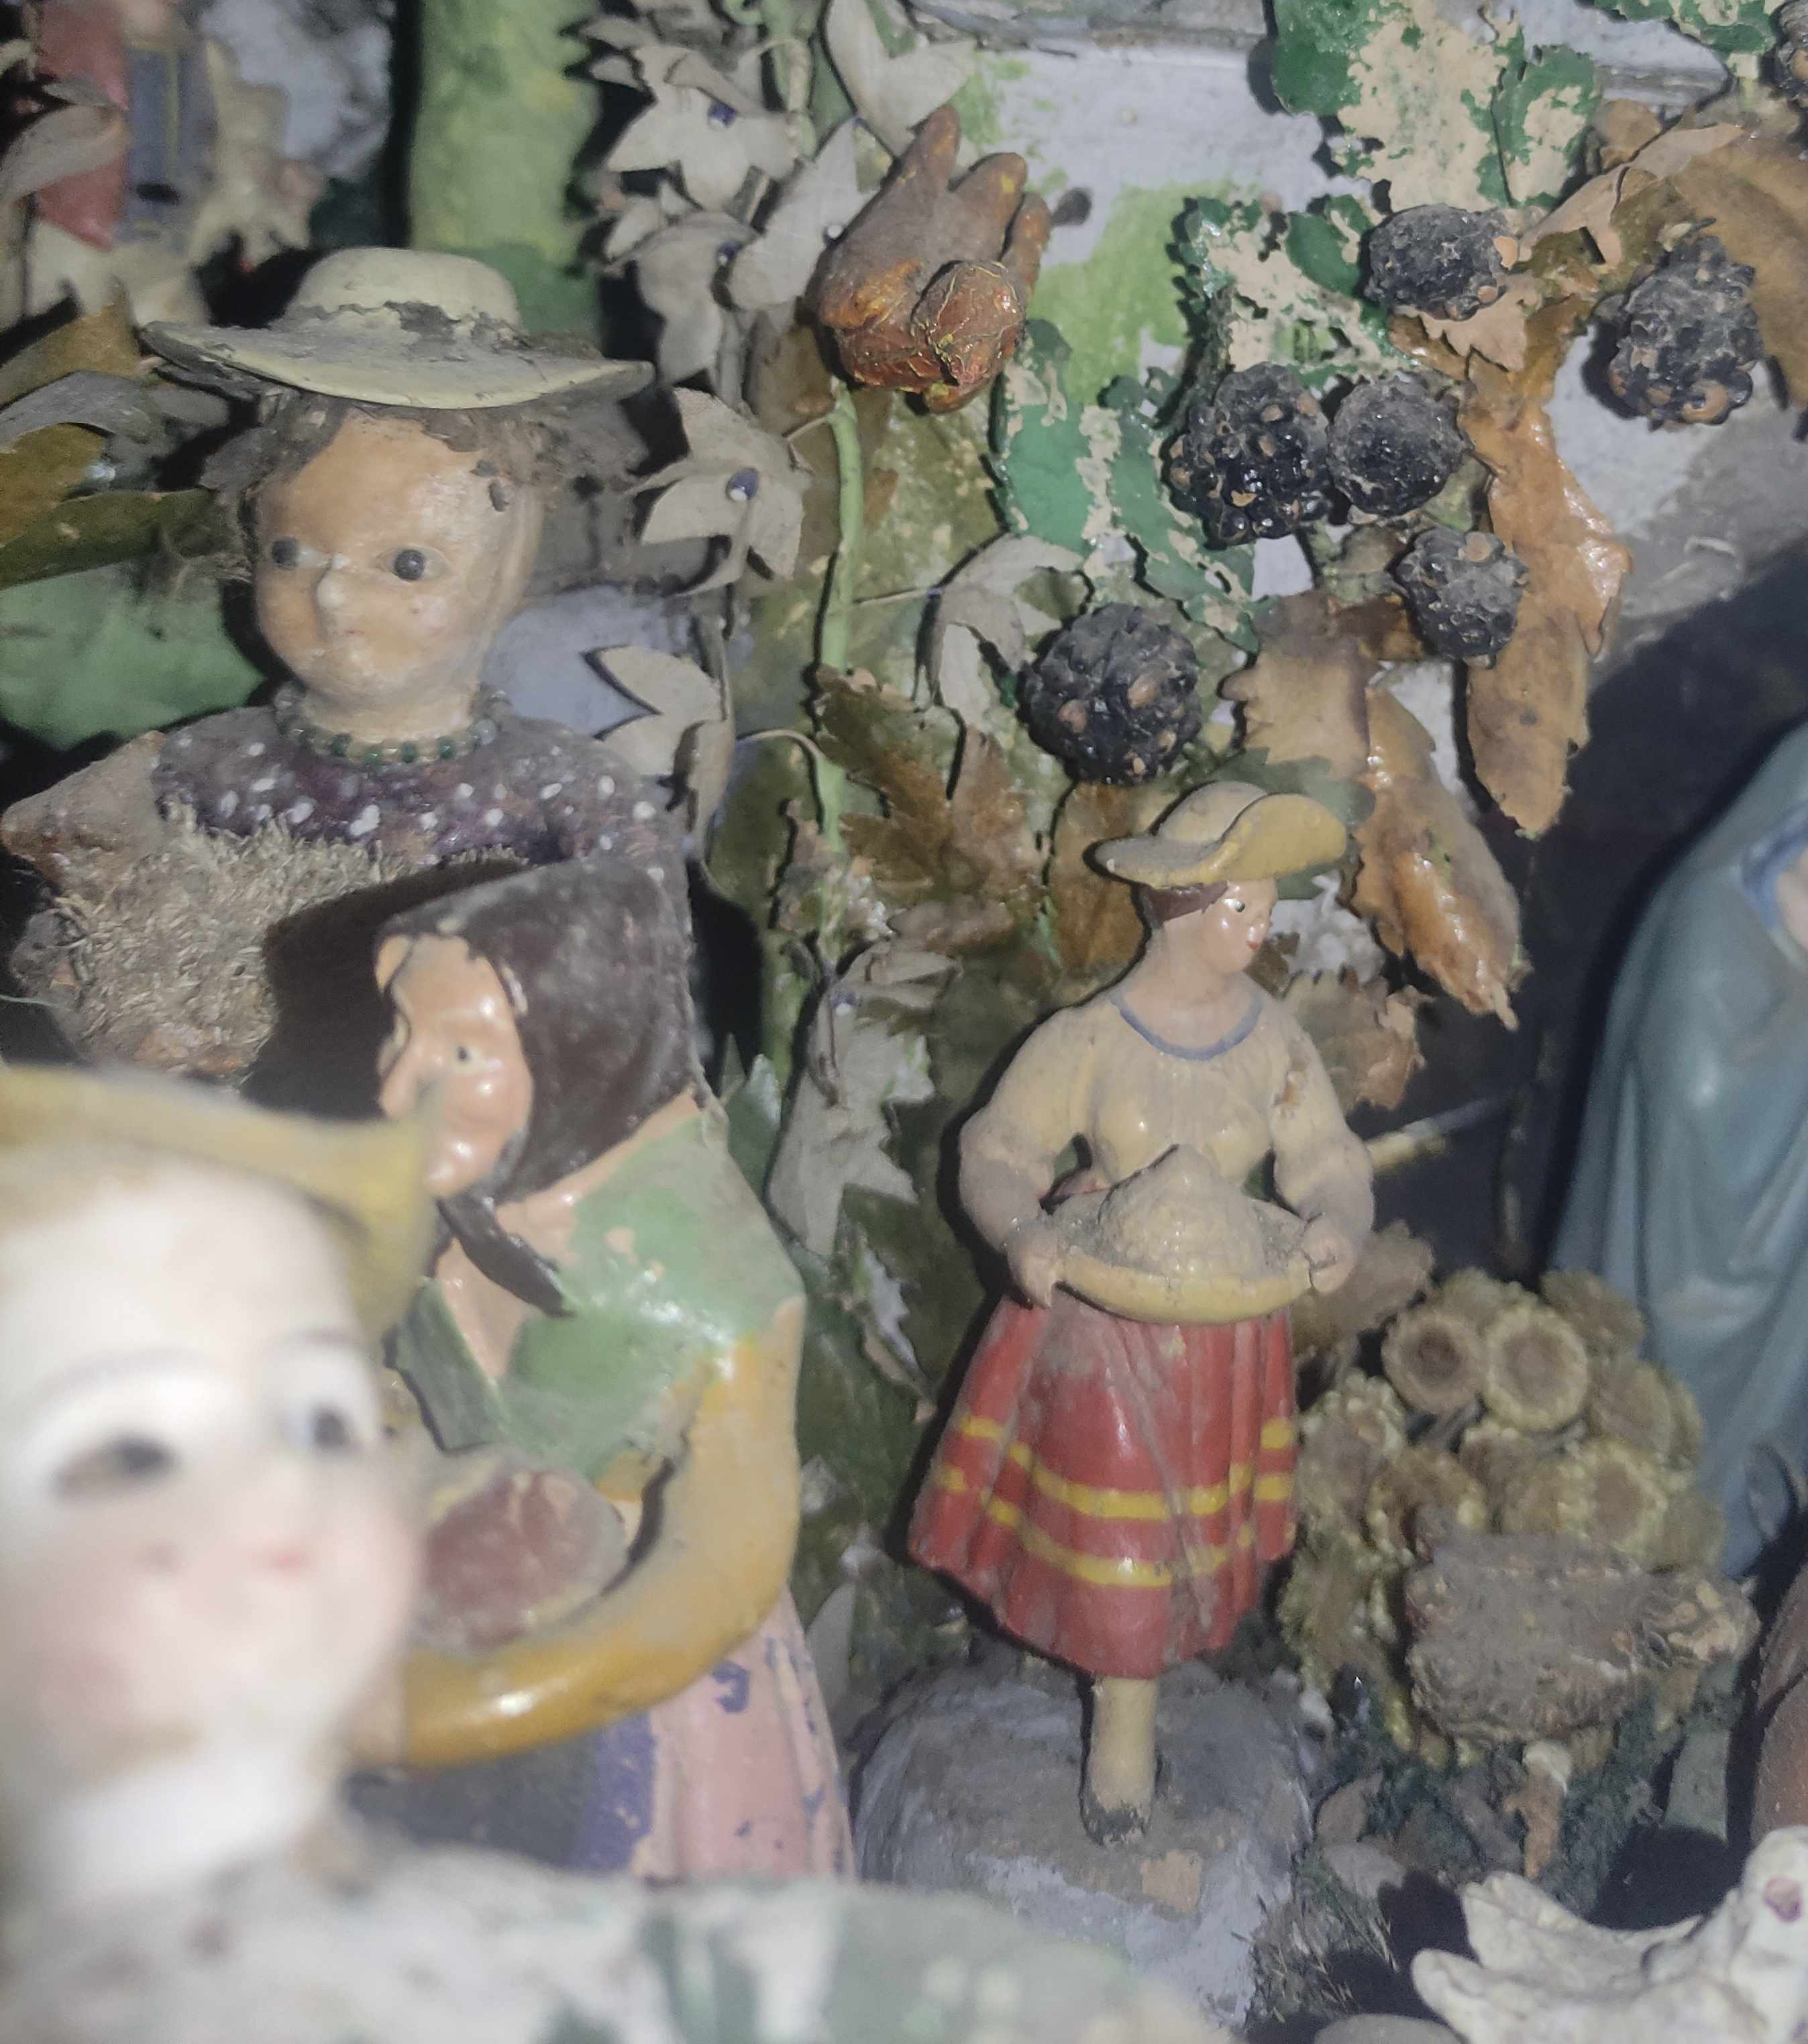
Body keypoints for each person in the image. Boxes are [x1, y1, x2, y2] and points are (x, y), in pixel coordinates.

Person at [0, 1063, 1216, 2044]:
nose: (281, 1493)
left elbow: (747, 1962)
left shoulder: (696, 1279)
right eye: (128, 1453)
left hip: (651, 1652)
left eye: (320, 1423)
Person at [1, 249, 682, 1094]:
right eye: (291, 553)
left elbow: (636, 1026)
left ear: (511, 568)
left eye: (406, 564)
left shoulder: (568, 795)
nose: (330, 594)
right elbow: (60, 961)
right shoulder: (197, 767)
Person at [364, 856, 849, 1882]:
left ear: (581, 1046)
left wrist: (457, 1711)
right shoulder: (423, 1200)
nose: (398, 1087)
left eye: (461, 1053)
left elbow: (719, 1575)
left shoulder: (718, 1296)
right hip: (438, 1608)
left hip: (651, 1691)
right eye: (402, 1033)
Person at [910, 776, 1373, 1839]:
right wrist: (1022, 1231)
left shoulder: (1272, 1042)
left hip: (1226, 1316)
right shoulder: (1093, 1039)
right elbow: (999, 1148)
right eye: (1241, 906)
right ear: (1180, 906)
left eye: (1266, 908)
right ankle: (1117, 1733)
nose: (1258, 929)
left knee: (1182, 1529)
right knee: (1114, 1514)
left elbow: (1324, 1156)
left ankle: (1129, 1680)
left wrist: (1335, 1222)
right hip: (1104, 1316)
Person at [1552, 708, 1808, 1574]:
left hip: (1802, 1286)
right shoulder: (1709, 924)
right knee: (1641, 1468)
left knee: (1765, 1465)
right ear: (1800, 828)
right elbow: (1694, 1114)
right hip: (1673, 1273)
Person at [19, 0, 316, 325]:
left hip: (165, 252)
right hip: (77, 244)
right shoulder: (65, 29)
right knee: (64, 352)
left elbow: (235, 132)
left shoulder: (197, 51)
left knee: (179, 354)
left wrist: (269, 181)